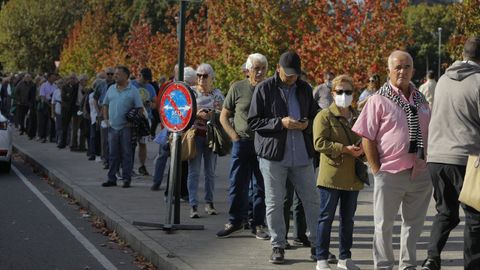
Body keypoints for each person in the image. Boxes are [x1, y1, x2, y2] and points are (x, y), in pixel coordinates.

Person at [352, 50, 433, 270]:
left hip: (420, 171)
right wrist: (376, 169)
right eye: (397, 67)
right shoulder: (378, 99)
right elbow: (367, 136)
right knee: (383, 225)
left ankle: (407, 265)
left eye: (407, 67)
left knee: (413, 225)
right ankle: (384, 266)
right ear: (388, 70)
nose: (402, 71)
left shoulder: (421, 98)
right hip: (389, 172)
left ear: (413, 71)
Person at [248, 51, 320, 264]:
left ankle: (318, 246)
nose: (291, 78)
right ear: (278, 69)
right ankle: (278, 245)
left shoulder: (305, 88)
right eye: (288, 74)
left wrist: (307, 123)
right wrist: (281, 123)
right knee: (275, 202)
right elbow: (253, 122)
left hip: (302, 156)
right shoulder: (264, 88)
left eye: (295, 74)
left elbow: (316, 115)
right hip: (273, 157)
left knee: (312, 201)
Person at [421, 37, 480, 270]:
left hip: (437, 157)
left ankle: (431, 259)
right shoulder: (477, 81)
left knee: (445, 212)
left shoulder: (444, 80)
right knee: (475, 217)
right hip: (467, 158)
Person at [313, 74, 364, 270]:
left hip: (352, 175)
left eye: (348, 92)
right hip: (331, 176)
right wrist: (344, 149)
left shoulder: (358, 117)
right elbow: (319, 143)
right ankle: (321, 259)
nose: (344, 95)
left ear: (354, 94)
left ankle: (345, 258)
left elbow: (366, 139)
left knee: (348, 219)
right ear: (333, 94)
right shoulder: (324, 115)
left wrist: (363, 150)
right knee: (326, 217)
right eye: (340, 92)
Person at [216, 53, 269, 240]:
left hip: (262, 144)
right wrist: (234, 136)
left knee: (260, 186)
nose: (260, 72)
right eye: (256, 68)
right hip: (242, 142)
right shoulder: (238, 88)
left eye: (263, 68)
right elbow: (223, 116)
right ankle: (235, 221)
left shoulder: (269, 89)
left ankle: (258, 224)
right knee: (237, 184)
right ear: (248, 70)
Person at [187, 63, 224, 218]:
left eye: (205, 76)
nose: (201, 79)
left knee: (210, 172)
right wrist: (197, 114)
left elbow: (223, 113)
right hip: (195, 136)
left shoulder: (217, 94)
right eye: (199, 75)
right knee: (194, 172)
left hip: (211, 136)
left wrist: (212, 114)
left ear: (212, 78)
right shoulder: (191, 93)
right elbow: (184, 112)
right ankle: (193, 205)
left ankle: (209, 203)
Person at [101, 65, 143, 188]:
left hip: (126, 127)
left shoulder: (133, 90)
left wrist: (132, 121)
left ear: (126, 76)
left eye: (118, 74)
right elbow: (105, 104)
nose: (115, 76)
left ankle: (126, 179)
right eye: (115, 74)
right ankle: (111, 178)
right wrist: (106, 119)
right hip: (113, 127)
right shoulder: (111, 89)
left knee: (126, 153)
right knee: (113, 154)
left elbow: (139, 108)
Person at [131, 67, 156, 176]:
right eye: (144, 79)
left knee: (143, 143)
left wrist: (151, 104)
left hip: (146, 118)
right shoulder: (131, 85)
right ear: (139, 75)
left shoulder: (150, 87)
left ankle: (142, 165)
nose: (146, 82)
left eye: (147, 80)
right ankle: (129, 166)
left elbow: (155, 103)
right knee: (130, 143)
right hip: (133, 117)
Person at [58, 73, 78, 149]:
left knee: (75, 127)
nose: (72, 80)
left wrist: (69, 95)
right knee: (64, 126)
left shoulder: (77, 87)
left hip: (74, 109)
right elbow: (64, 97)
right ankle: (62, 142)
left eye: (74, 78)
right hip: (66, 109)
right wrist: (69, 95)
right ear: (69, 79)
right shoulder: (64, 87)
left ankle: (73, 143)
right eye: (71, 78)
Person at [38, 73, 57, 143]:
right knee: (44, 121)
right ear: (48, 78)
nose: (54, 79)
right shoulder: (44, 85)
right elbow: (42, 96)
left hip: (53, 104)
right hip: (46, 104)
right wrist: (48, 103)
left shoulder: (55, 86)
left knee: (53, 121)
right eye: (52, 77)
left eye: (54, 77)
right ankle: (43, 136)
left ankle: (52, 137)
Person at [71, 74, 88, 151]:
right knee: (75, 127)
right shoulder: (75, 87)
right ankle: (73, 145)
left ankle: (82, 145)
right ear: (81, 80)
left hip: (84, 109)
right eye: (85, 80)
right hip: (77, 109)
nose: (86, 82)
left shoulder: (87, 89)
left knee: (84, 128)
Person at [51, 79, 63, 146]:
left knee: (66, 127)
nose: (60, 85)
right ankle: (58, 139)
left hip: (65, 111)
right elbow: (53, 103)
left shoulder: (66, 90)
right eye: (59, 83)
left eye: (61, 83)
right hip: (58, 110)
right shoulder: (56, 91)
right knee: (58, 126)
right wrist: (52, 113)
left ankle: (65, 140)